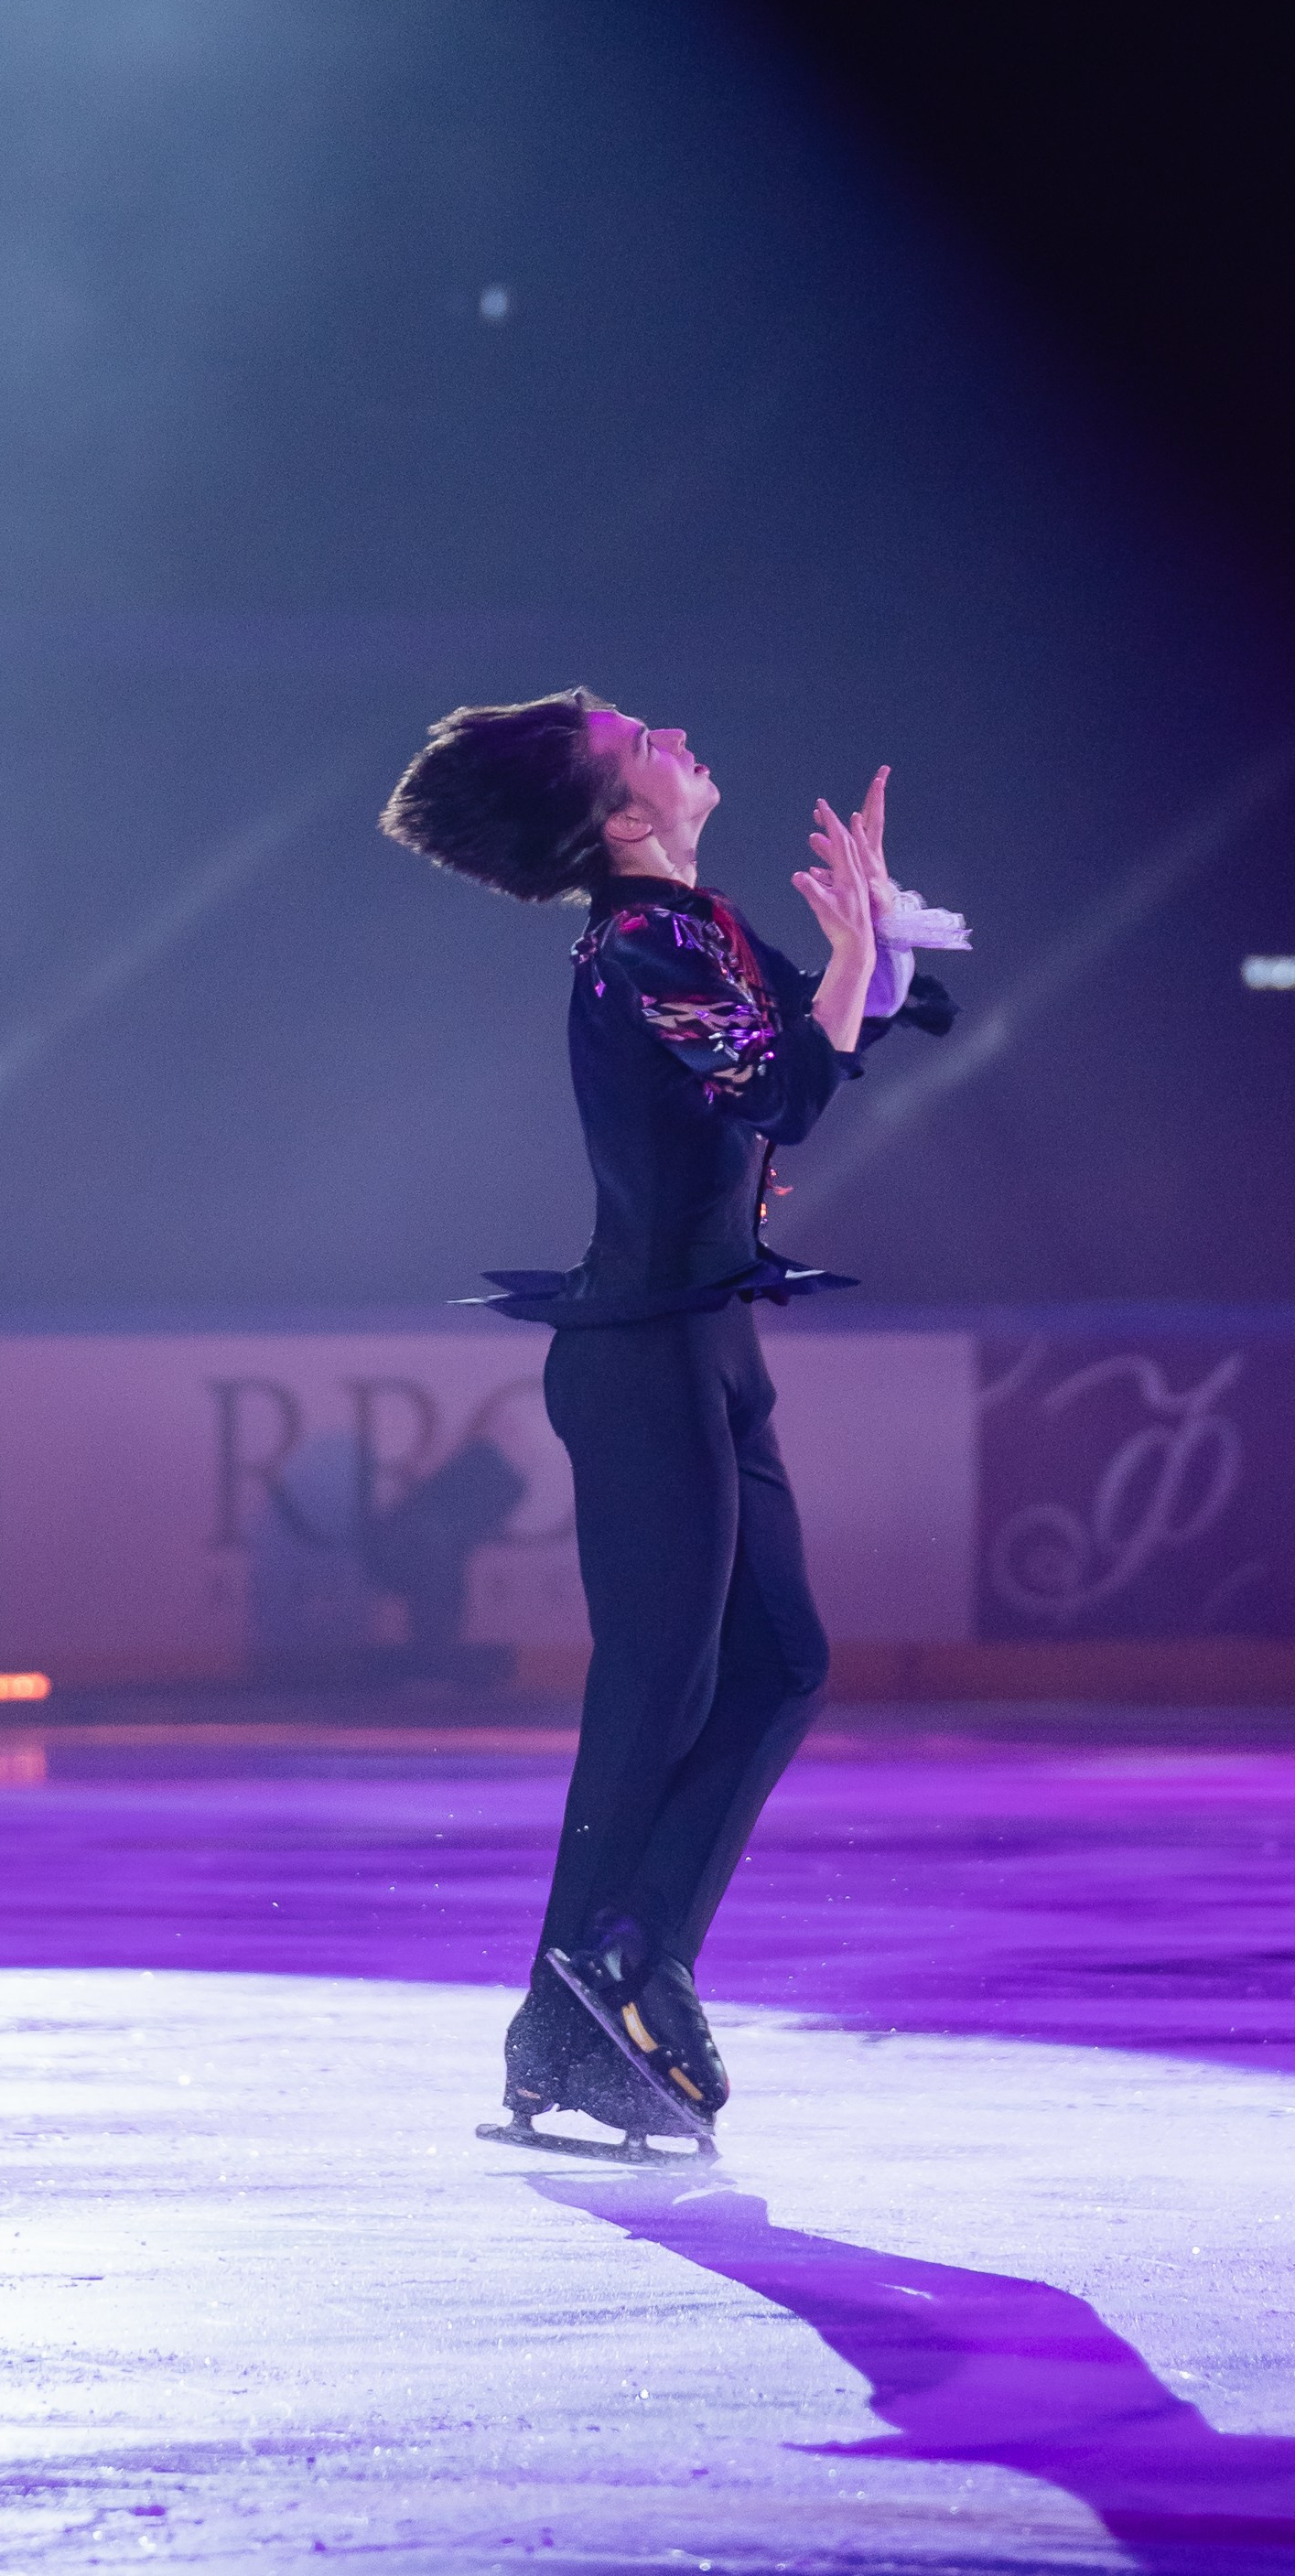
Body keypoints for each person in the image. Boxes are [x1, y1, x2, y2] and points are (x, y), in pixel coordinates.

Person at [381, 688, 962, 2145]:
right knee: (665, 1686)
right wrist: (846, 958)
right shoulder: (649, 936)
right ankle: (593, 1992)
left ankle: (614, 1969)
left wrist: (871, 948)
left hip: (704, 1343)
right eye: (645, 739)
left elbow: (813, 1055)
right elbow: (782, 1086)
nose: (681, 734)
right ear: (622, 813)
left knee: (776, 1665)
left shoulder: (686, 927)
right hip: (646, 1358)